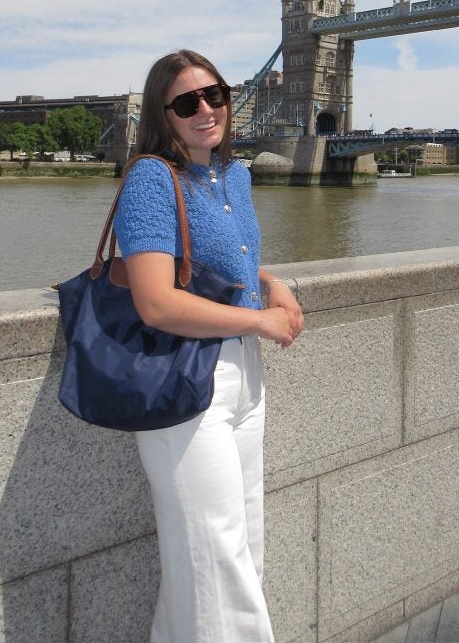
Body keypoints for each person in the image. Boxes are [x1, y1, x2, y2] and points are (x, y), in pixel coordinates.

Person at [113, 49, 303, 643]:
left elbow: (231, 263)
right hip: (188, 381)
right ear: (162, 114)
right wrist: (259, 323)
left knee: (236, 546)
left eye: (215, 95)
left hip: (245, 379)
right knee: (218, 561)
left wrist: (272, 284)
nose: (205, 110)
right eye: (186, 102)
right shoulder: (151, 177)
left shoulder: (235, 175)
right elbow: (155, 302)